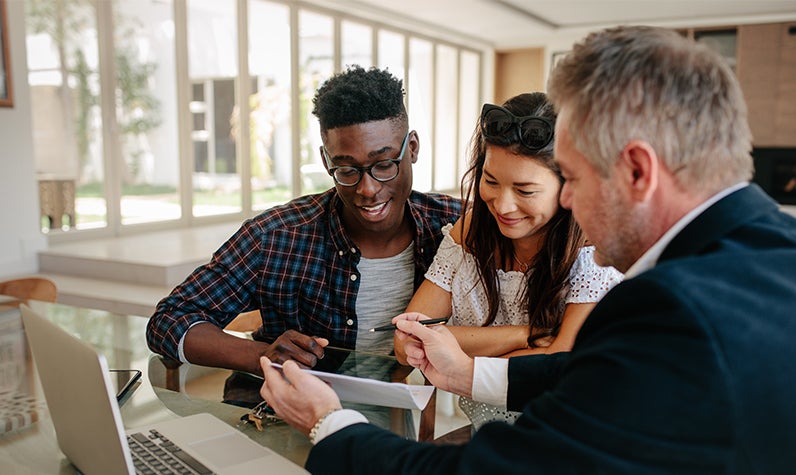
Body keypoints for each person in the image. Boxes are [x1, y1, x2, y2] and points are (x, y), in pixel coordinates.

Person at [258, 25, 796, 474]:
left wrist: (329, 422)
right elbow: (587, 371)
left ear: (637, 171)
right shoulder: (771, 253)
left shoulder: (675, 310)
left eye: (575, 179)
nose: (568, 202)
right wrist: (468, 375)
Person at [146, 66, 461, 376]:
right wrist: (262, 356)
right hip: (284, 416)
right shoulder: (276, 237)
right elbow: (169, 320)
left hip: (401, 419)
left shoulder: (455, 227)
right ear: (326, 162)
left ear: (413, 149)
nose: (368, 189)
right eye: (347, 170)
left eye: (383, 164)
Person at [393, 92, 622, 428]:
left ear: (568, 185)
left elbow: (559, 363)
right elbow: (406, 342)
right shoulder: (469, 231)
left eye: (525, 190)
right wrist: (527, 335)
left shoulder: (592, 247)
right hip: (487, 441)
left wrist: (456, 351)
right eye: (490, 181)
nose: (503, 205)